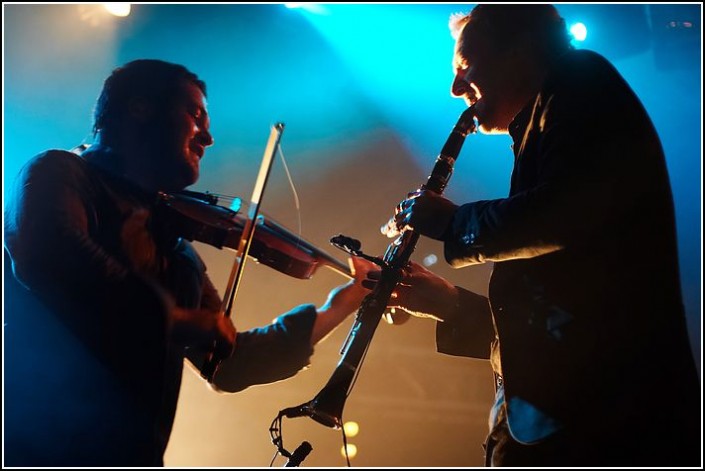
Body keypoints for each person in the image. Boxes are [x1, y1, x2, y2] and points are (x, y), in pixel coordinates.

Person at [3, 59, 372, 467]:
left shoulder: (177, 252)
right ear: (140, 108)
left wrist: (345, 301)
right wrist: (173, 320)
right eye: (195, 115)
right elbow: (51, 257)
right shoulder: (60, 173)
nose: (208, 138)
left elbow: (230, 363)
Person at [379, 4, 701, 467]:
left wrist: (453, 224)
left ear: (521, 49)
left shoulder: (580, 83)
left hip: (605, 426)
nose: (455, 88)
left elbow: (563, 215)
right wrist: (446, 303)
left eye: (465, 66)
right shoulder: (545, 118)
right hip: (576, 421)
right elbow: (555, 320)